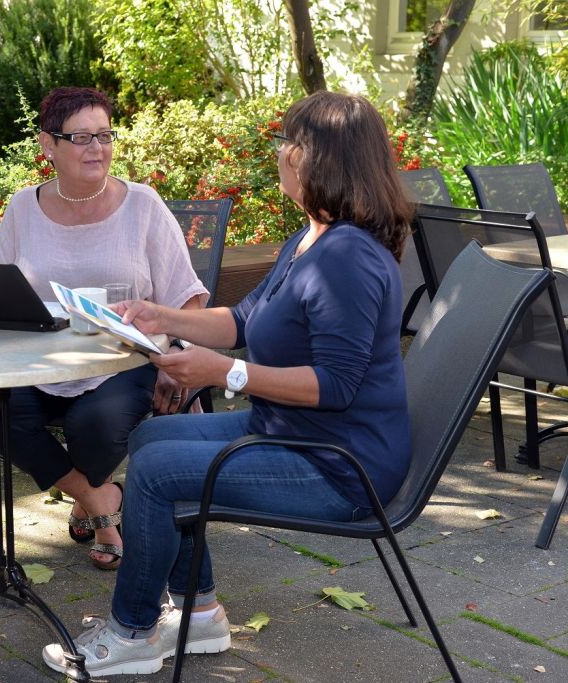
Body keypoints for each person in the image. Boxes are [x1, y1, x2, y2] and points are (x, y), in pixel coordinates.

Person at [42, 90, 414, 676]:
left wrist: (224, 372)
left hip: (340, 465)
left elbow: (336, 386)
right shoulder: (314, 237)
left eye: (288, 142)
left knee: (158, 473)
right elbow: (242, 321)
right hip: (294, 432)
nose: (280, 153)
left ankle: (132, 632)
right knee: (151, 439)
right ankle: (200, 612)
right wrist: (162, 317)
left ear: (317, 159)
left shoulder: (346, 258)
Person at [0, 87, 207, 570]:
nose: (97, 148)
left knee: (93, 425)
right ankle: (100, 499)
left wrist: (176, 356)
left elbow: (186, 295)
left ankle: (90, 506)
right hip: (40, 361)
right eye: (81, 137)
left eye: (105, 135)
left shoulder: (142, 205)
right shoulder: (23, 207)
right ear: (48, 145)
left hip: (125, 359)